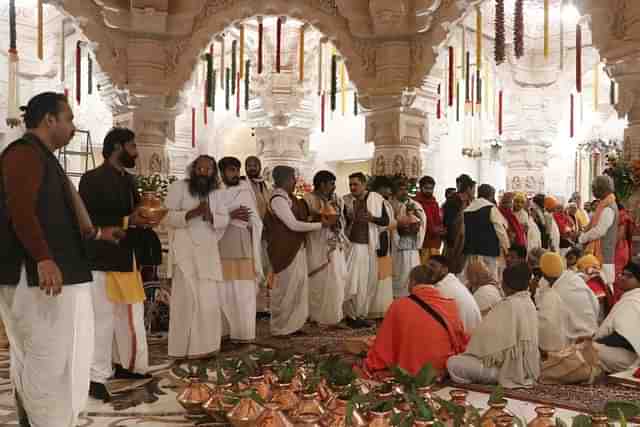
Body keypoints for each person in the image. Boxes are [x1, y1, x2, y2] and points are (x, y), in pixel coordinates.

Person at [0, 92, 115, 426]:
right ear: (49, 119)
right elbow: (21, 210)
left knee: (48, 359)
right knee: (45, 360)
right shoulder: (23, 154)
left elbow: (55, 213)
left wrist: (96, 234)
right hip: (34, 276)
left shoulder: (41, 156)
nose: (73, 127)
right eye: (69, 119)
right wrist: (43, 258)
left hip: (44, 272)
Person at [80, 128, 160, 401]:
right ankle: (95, 377)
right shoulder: (91, 180)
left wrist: (145, 218)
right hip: (102, 259)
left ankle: (128, 365)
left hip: (127, 258)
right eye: (133, 146)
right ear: (117, 147)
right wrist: (129, 221)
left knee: (130, 318)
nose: (136, 151)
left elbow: (133, 213)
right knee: (101, 320)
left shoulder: (129, 179)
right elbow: (88, 221)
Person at [363, 265, 468, 376]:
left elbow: (384, 345)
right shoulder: (450, 304)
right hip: (442, 367)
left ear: (412, 282)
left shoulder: (399, 305)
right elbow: (459, 340)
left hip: (412, 370)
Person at [447, 263, 540, 388]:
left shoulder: (508, 305)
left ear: (506, 285)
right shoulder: (529, 302)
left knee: (453, 363)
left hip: (504, 373)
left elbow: (484, 341)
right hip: (528, 370)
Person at [264, 166, 327, 336]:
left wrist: (315, 218)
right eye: (293, 178)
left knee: (298, 287)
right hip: (283, 249)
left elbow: (301, 219)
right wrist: (321, 225)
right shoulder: (277, 199)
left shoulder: (291, 198)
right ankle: (280, 327)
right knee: (285, 289)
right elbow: (293, 224)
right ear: (285, 179)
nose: (295, 181)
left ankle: (294, 325)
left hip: (297, 247)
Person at [216, 157, 263, 343]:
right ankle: (224, 332)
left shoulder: (245, 191)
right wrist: (229, 215)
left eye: (237, 169)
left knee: (244, 293)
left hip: (242, 244)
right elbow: (210, 217)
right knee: (224, 292)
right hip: (220, 245)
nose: (235, 174)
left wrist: (244, 221)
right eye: (230, 170)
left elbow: (255, 220)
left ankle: (244, 334)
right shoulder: (215, 192)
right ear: (221, 173)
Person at [343, 173, 390, 327]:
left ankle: (360, 315)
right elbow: (343, 222)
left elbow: (385, 221)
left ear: (364, 184)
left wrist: (372, 218)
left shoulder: (376, 198)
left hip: (368, 247)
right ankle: (350, 315)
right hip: (351, 246)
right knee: (351, 281)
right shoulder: (347, 200)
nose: (352, 188)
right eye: (350, 185)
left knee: (365, 283)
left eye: (355, 184)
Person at [304, 170, 348, 326]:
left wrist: (337, 221)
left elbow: (343, 220)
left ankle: (333, 315)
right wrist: (321, 216)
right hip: (316, 243)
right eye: (331, 184)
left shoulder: (337, 200)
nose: (334, 187)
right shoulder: (308, 199)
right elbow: (305, 220)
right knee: (318, 280)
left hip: (333, 244)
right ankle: (315, 315)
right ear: (322, 184)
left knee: (336, 279)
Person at [536, 252, 600, 353]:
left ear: (544, 275)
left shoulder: (554, 294)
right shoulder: (575, 279)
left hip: (574, 347)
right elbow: (595, 304)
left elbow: (547, 329)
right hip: (593, 335)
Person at [593, 262, 640, 373]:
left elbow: (625, 339)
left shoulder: (633, 301)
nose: (622, 278)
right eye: (622, 274)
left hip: (633, 360)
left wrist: (598, 341)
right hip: (630, 355)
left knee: (588, 351)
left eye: (629, 276)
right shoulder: (632, 297)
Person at [579, 176, 618, 290]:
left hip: (603, 255)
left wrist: (582, 238)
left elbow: (600, 231)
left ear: (603, 189)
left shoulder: (608, 207)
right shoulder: (603, 205)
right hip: (601, 253)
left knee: (604, 286)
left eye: (594, 188)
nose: (593, 191)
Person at [463, 184, 510, 279]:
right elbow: (499, 229)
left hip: (471, 251)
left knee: (473, 278)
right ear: (491, 195)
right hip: (488, 252)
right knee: (489, 279)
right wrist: (507, 248)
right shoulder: (491, 208)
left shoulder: (467, 210)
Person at [244, 156, 272, 315]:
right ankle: (253, 306)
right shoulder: (242, 185)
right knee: (253, 268)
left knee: (266, 268)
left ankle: (264, 305)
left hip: (265, 234)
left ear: (260, 166)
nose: (252, 168)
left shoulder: (264, 185)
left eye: (255, 165)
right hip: (250, 233)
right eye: (249, 165)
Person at [391, 178, 426, 298]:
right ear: (395, 191)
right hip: (396, 245)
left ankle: (412, 296)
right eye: (400, 189)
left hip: (411, 244)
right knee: (398, 273)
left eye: (405, 189)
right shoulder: (390, 204)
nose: (404, 192)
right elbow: (390, 224)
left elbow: (422, 223)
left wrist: (414, 218)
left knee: (412, 270)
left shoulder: (416, 205)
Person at [428, 256, 481, 333]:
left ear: (444, 270)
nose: (428, 269)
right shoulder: (453, 283)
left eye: (433, 266)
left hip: (467, 339)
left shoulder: (442, 288)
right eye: (426, 266)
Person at [368, 176, 397, 318]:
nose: (390, 191)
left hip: (385, 240)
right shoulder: (374, 198)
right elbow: (378, 223)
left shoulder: (383, 201)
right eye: (388, 188)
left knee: (384, 275)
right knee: (379, 276)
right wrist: (397, 223)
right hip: (379, 240)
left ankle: (383, 308)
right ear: (381, 188)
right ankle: (376, 308)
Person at [442, 174, 476, 275]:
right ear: (468, 189)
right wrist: (451, 242)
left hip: (465, 242)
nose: (474, 192)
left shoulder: (469, 202)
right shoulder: (453, 201)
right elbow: (449, 223)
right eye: (473, 189)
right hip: (454, 242)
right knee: (451, 269)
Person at [414, 176, 444, 263]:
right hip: (423, 242)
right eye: (426, 188)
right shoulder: (416, 202)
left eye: (431, 188)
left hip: (435, 242)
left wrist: (440, 230)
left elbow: (438, 221)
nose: (429, 191)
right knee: (424, 269)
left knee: (435, 270)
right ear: (421, 188)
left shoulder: (434, 202)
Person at [576, 254, 612, 322]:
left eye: (580, 268)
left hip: (594, 314)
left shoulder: (592, 280)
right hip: (600, 312)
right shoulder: (600, 277)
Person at [614, 202, 634, 302]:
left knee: (617, 277)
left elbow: (620, 235)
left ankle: (618, 302)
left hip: (619, 249)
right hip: (623, 248)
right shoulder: (624, 215)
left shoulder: (621, 216)